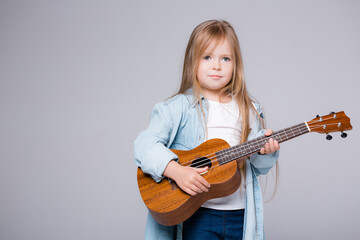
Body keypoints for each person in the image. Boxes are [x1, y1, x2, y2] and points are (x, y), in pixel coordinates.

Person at [134, 19, 280, 240]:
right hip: (196, 214)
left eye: (225, 58)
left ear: (236, 64)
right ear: (193, 61)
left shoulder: (248, 109)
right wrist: (177, 171)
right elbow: (143, 146)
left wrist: (266, 153)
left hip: (240, 215)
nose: (216, 66)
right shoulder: (177, 108)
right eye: (207, 57)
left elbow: (255, 168)